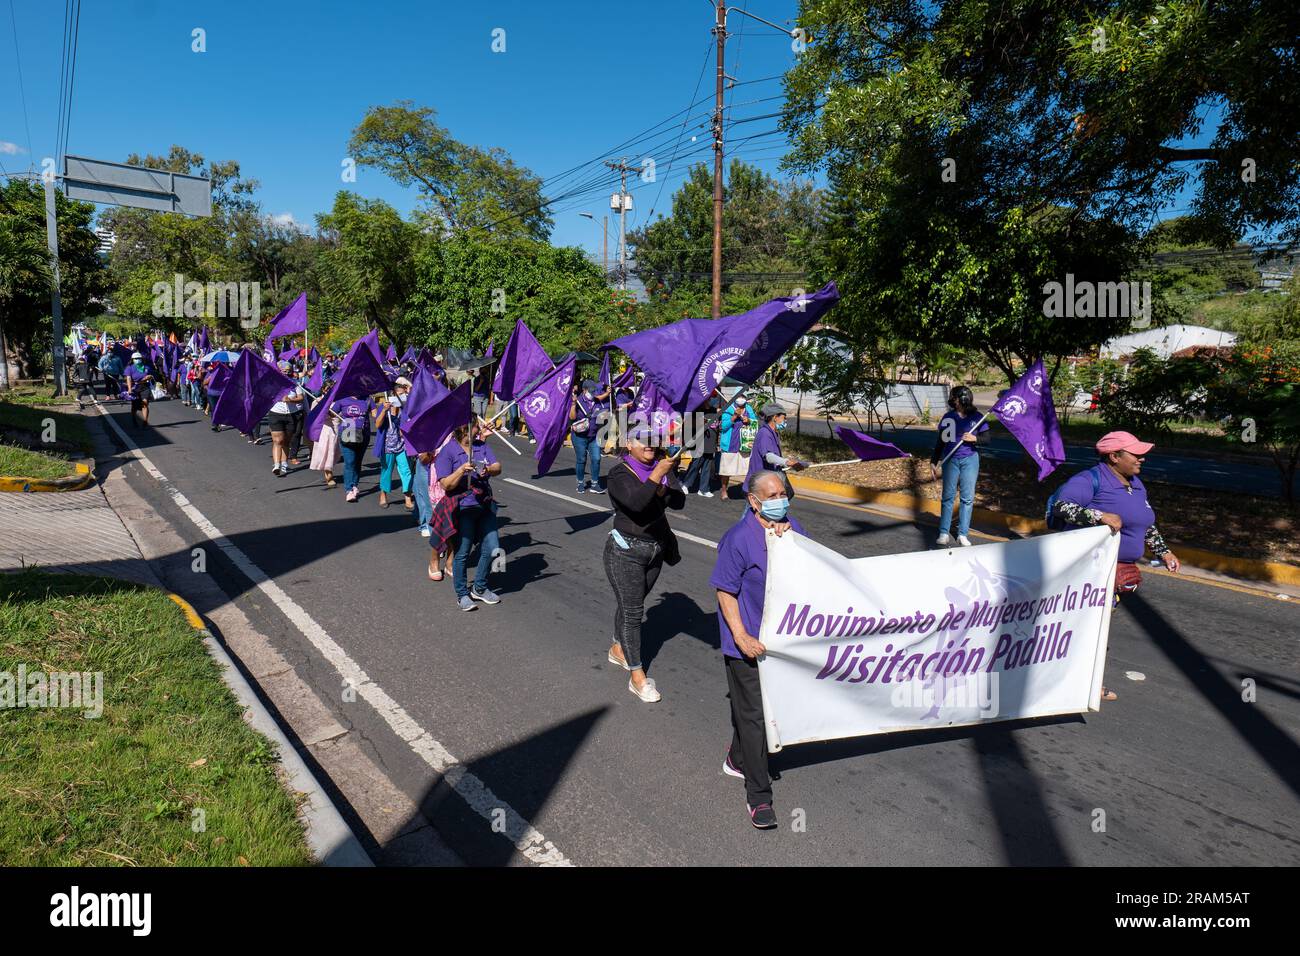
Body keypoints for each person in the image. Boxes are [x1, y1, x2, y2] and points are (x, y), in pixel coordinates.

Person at [1049, 430, 1181, 702]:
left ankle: (1082, 681)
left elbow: (1145, 523)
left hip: (1117, 573)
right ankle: (1082, 684)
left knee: (1096, 628)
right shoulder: (1089, 480)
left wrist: (1163, 551)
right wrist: (1099, 515)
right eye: (1136, 454)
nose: (1142, 458)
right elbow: (1062, 507)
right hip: (1092, 571)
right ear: (1114, 456)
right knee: (1089, 628)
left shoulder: (1136, 484)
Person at [711, 469, 805, 830]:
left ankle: (737, 758)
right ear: (753, 501)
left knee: (766, 711)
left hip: (782, 641)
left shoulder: (792, 529)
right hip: (747, 643)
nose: (782, 499)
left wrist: (788, 539)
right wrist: (740, 636)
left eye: (784, 492)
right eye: (772, 495)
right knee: (754, 717)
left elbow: (815, 567)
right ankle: (759, 796)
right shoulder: (738, 538)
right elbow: (724, 590)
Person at [603, 428, 686, 703]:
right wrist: (655, 476)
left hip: (655, 550)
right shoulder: (619, 473)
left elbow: (679, 502)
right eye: (644, 441)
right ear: (629, 444)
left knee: (632, 604)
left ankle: (618, 648)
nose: (651, 446)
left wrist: (666, 482)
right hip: (626, 551)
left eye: (654, 441)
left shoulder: (662, 466)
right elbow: (637, 504)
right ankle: (637, 677)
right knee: (633, 612)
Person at [436, 424, 503, 611]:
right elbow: (445, 485)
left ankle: (479, 588)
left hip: (484, 504)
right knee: (462, 552)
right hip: (463, 508)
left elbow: (498, 466)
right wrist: (460, 471)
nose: (479, 428)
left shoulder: (481, 446)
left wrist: (488, 470)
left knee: (493, 547)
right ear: (464, 430)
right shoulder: (448, 451)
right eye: (475, 425)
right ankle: (462, 595)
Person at [930, 385, 989, 548]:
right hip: (950, 460)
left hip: (970, 460)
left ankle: (963, 533)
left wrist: (974, 438)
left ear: (962, 399)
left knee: (967, 498)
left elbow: (987, 438)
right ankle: (943, 532)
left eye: (954, 397)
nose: (952, 400)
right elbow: (941, 442)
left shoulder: (977, 418)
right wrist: (933, 461)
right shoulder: (948, 417)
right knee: (948, 496)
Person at [743, 402, 805, 495]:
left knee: (788, 494)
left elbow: (775, 457)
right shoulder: (765, 433)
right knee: (756, 509)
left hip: (768, 478)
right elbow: (769, 456)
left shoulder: (773, 433)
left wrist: (800, 464)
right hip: (759, 483)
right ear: (775, 417)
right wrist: (787, 462)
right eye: (784, 418)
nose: (785, 421)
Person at [373, 377, 414, 510]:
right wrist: (384, 411)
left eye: (403, 395)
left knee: (406, 471)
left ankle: (407, 496)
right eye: (400, 394)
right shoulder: (384, 407)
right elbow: (378, 425)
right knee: (387, 471)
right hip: (387, 446)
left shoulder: (405, 409)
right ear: (393, 395)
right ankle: (383, 494)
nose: (402, 397)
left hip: (401, 445)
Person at [424, 432, 458, 581]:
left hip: (459, 483)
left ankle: (450, 561)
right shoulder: (433, 430)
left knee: (456, 525)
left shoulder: (464, 428)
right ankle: (434, 560)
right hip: (439, 484)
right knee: (442, 525)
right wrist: (428, 452)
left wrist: (482, 438)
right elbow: (423, 460)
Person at [330, 392, 374, 502]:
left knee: (358, 462)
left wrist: (385, 409)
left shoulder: (368, 399)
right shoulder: (342, 399)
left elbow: (375, 415)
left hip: (363, 435)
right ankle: (349, 490)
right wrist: (326, 408)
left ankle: (354, 485)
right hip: (347, 434)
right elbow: (332, 413)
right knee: (350, 461)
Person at [267, 362, 304, 477]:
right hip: (276, 414)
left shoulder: (294, 383)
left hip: (291, 415)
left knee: (286, 441)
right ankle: (276, 465)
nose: (286, 372)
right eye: (284, 370)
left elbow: (301, 398)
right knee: (278, 440)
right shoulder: (273, 382)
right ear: (280, 370)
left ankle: (284, 463)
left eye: (288, 370)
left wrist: (290, 400)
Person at [683, 392, 722, 497]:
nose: (712, 401)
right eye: (710, 399)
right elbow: (689, 423)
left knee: (707, 467)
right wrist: (700, 421)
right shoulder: (698, 410)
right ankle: (686, 484)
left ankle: (704, 489)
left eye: (714, 398)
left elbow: (718, 427)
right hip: (700, 442)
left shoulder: (716, 412)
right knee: (696, 465)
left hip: (711, 443)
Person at [570, 378, 605, 494]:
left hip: (593, 436)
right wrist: (574, 404)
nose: (593, 393)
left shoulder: (597, 402)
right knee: (581, 459)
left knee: (596, 459)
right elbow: (572, 417)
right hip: (580, 437)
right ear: (584, 390)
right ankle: (580, 483)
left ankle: (594, 484)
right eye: (591, 391)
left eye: (594, 391)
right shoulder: (578, 401)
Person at [717, 396, 754, 500]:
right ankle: (724, 490)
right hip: (730, 444)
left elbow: (755, 422)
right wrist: (733, 417)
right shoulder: (728, 408)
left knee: (747, 469)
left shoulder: (749, 409)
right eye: (739, 396)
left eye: (743, 397)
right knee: (726, 471)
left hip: (744, 445)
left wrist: (749, 420)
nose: (741, 399)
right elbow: (723, 427)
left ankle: (746, 490)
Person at [308, 389, 340, 488]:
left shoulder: (338, 401)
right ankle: (329, 474)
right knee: (327, 451)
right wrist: (320, 407)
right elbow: (314, 416)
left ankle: (329, 469)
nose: (328, 392)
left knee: (334, 452)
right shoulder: (316, 401)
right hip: (325, 429)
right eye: (326, 390)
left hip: (337, 427)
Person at [123, 351, 155, 428]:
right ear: (132, 359)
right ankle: (134, 418)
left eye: (139, 358)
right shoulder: (129, 368)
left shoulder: (146, 367)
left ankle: (145, 421)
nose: (138, 360)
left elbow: (151, 375)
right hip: (135, 388)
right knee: (135, 406)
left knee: (145, 403)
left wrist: (149, 377)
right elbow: (128, 379)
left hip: (145, 387)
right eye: (136, 358)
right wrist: (130, 389)